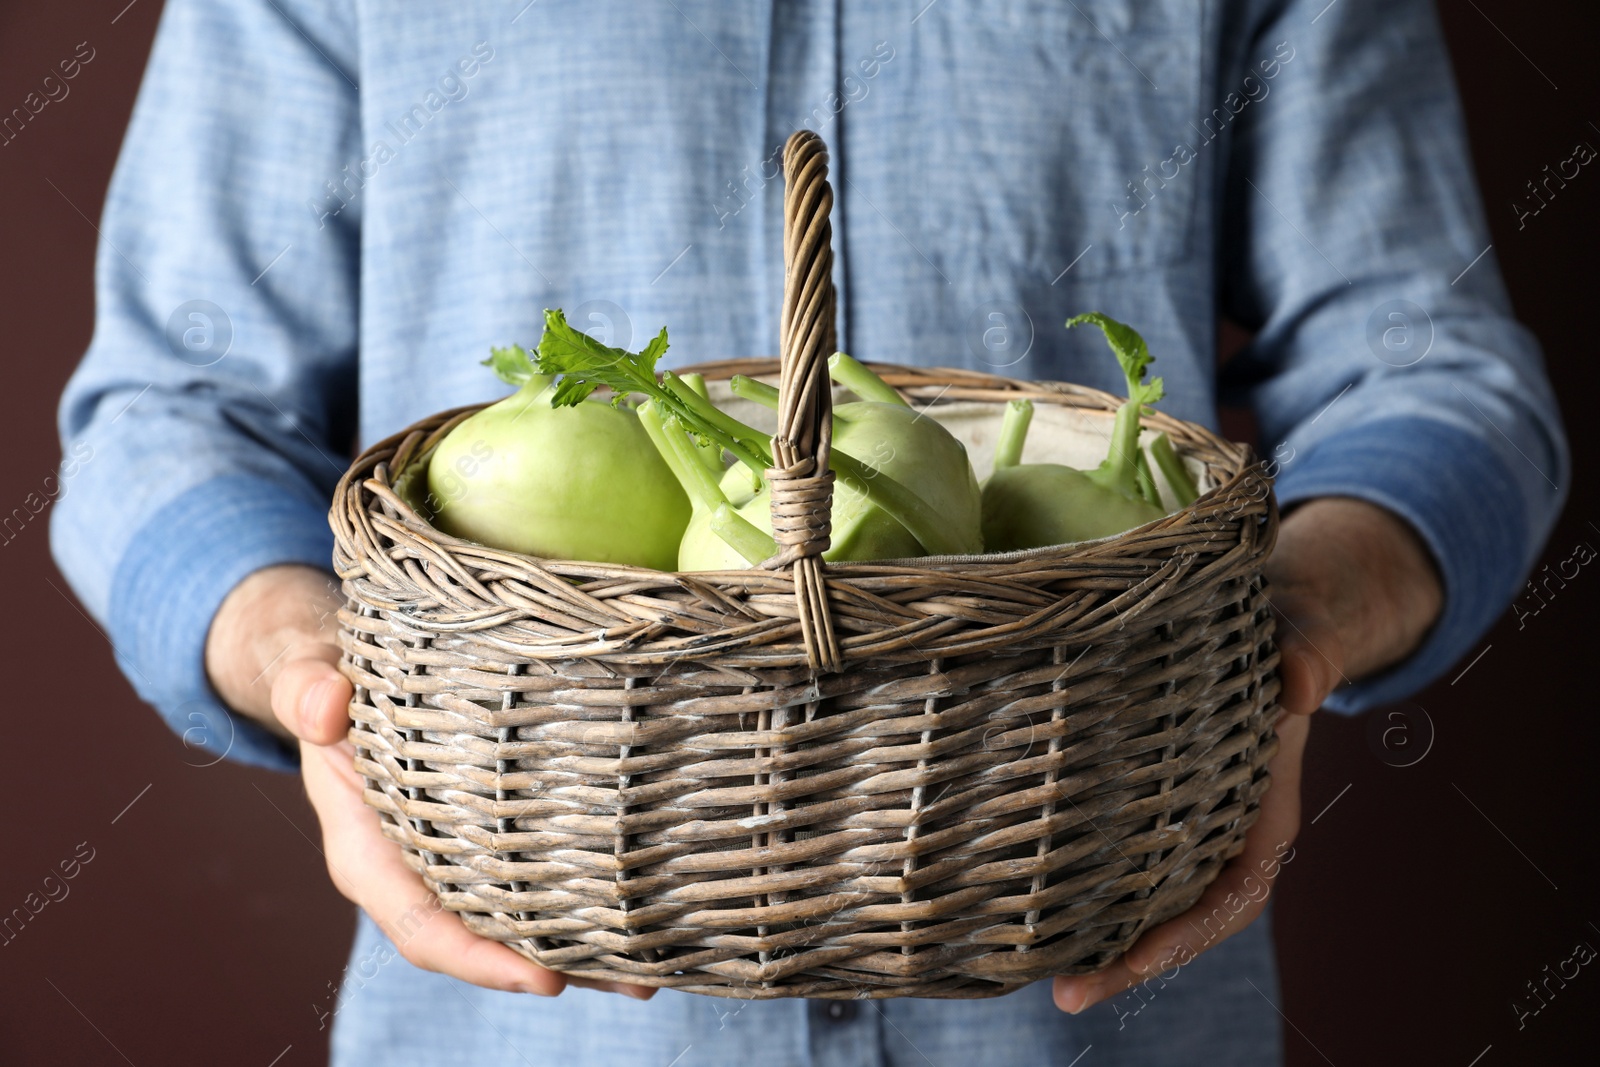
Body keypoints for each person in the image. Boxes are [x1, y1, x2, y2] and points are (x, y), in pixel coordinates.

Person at [53, 1, 1566, 1064]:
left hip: (1095, 967)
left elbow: (1437, 373)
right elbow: (169, 409)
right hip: (520, 1017)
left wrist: (1286, 634)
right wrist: (311, 667)